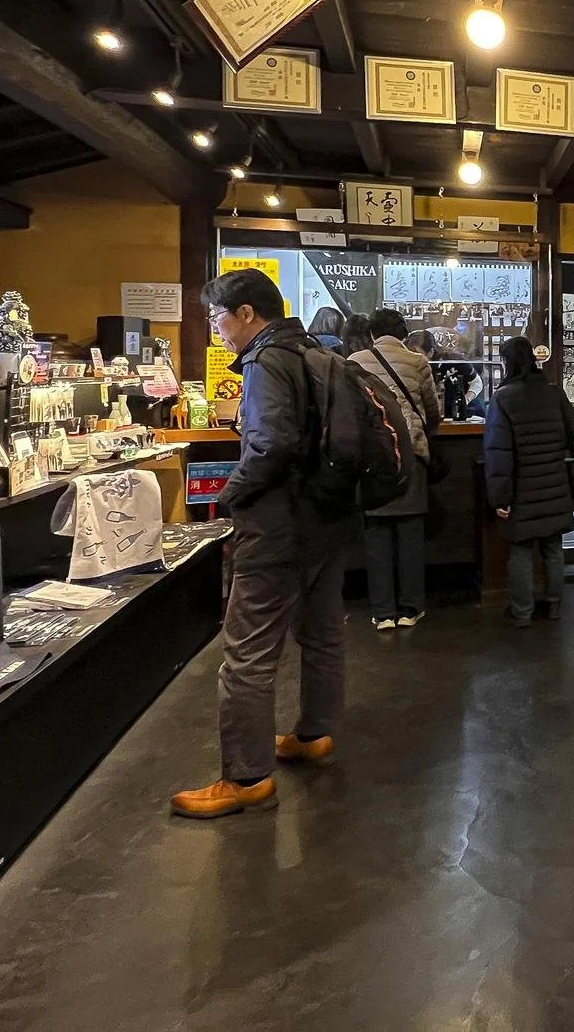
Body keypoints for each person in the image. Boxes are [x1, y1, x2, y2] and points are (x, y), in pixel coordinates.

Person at [171, 268, 357, 819]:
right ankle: (314, 735)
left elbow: (271, 442)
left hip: (278, 528)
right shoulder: (315, 353)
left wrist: (233, 492)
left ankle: (247, 777)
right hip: (326, 520)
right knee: (322, 635)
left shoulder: (265, 360)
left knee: (248, 654)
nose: (216, 329)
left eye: (217, 317)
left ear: (247, 313)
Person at [349, 308, 440, 631]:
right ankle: (410, 609)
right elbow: (433, 409)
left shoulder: (355, 361)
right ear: (403, 333)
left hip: (372, 459)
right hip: (411, 455)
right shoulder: (418, 362)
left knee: (377, 536)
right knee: (410, 534)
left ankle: (383, 613)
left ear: (372, 333)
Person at [484, 335, 574, 628]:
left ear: (507, 363)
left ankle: (522, 611)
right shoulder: (554, 393)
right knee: (553, 547)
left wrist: (500, 498)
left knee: (521, 549)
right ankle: (554, 606)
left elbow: (498, 453)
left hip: (521, 487)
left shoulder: (502, 398)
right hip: (554, 482)